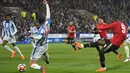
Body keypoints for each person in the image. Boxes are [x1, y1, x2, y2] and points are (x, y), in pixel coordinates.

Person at [29, 0, 50, 73]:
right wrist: (46, 4)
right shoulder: (47, 24)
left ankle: (41, 68)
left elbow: (40, 37)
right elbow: (48, 14)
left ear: (38, 22)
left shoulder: (41, 29)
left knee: (31, 64)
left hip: (39, 47)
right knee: (44, 52)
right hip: (46, 45)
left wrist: (33, 37)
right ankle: (47, 59)